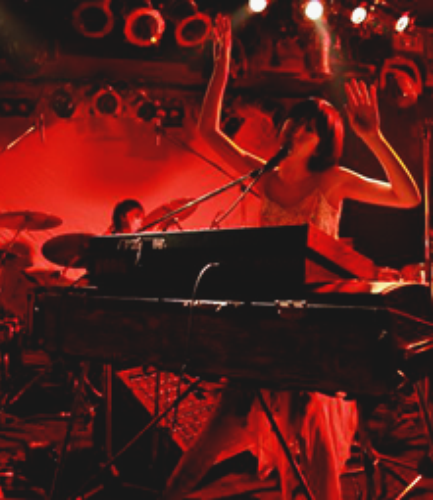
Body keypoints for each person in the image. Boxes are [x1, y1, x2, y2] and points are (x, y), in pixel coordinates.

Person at [161, 14, 421, 500]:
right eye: (293, 121)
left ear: (324, 140)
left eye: (308, 126)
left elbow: (408, 198)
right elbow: (209, 131)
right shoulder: (264, 175)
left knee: (316, 429)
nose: (295, 129)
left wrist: (373, 137)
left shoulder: (333, 180)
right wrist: (221, 69)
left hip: (318, 320)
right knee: (227, 417)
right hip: (265, 316)